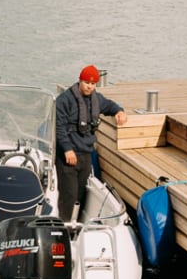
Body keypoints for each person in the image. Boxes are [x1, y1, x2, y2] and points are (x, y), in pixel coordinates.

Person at [54, 65, 130, 221]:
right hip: (68, 156)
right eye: (87, 82)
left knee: (81, 194)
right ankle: (65, 226)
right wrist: (67, 149)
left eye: (93, 83)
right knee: (69, 194)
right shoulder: (64, 100)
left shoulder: (97, 99)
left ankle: (76, 224)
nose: (89, 86)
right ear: (80, 80)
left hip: (86, 154)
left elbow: (110, 105)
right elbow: (59, 127)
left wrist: (119, 111)